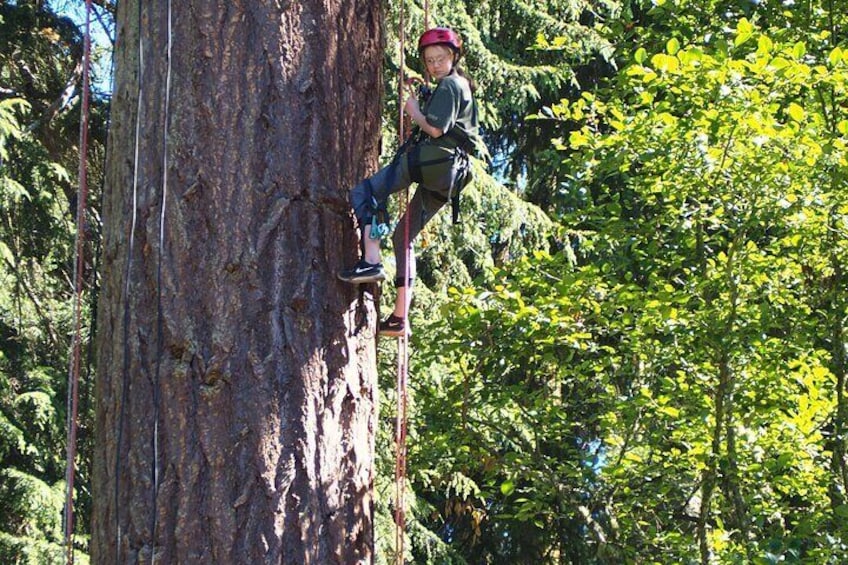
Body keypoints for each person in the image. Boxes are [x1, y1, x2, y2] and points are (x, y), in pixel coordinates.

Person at [338, 27, 482, 337]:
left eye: (440, 59)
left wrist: (414, 109)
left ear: (454, 57)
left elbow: (435, 129)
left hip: (432, 160)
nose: (434, 66)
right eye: (429, 61)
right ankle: (399, 318)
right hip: (451, 176)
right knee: (404, 236)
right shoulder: (461, 88)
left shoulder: (450, 84)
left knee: (366, 192)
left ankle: (372, 261)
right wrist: (424, 98)